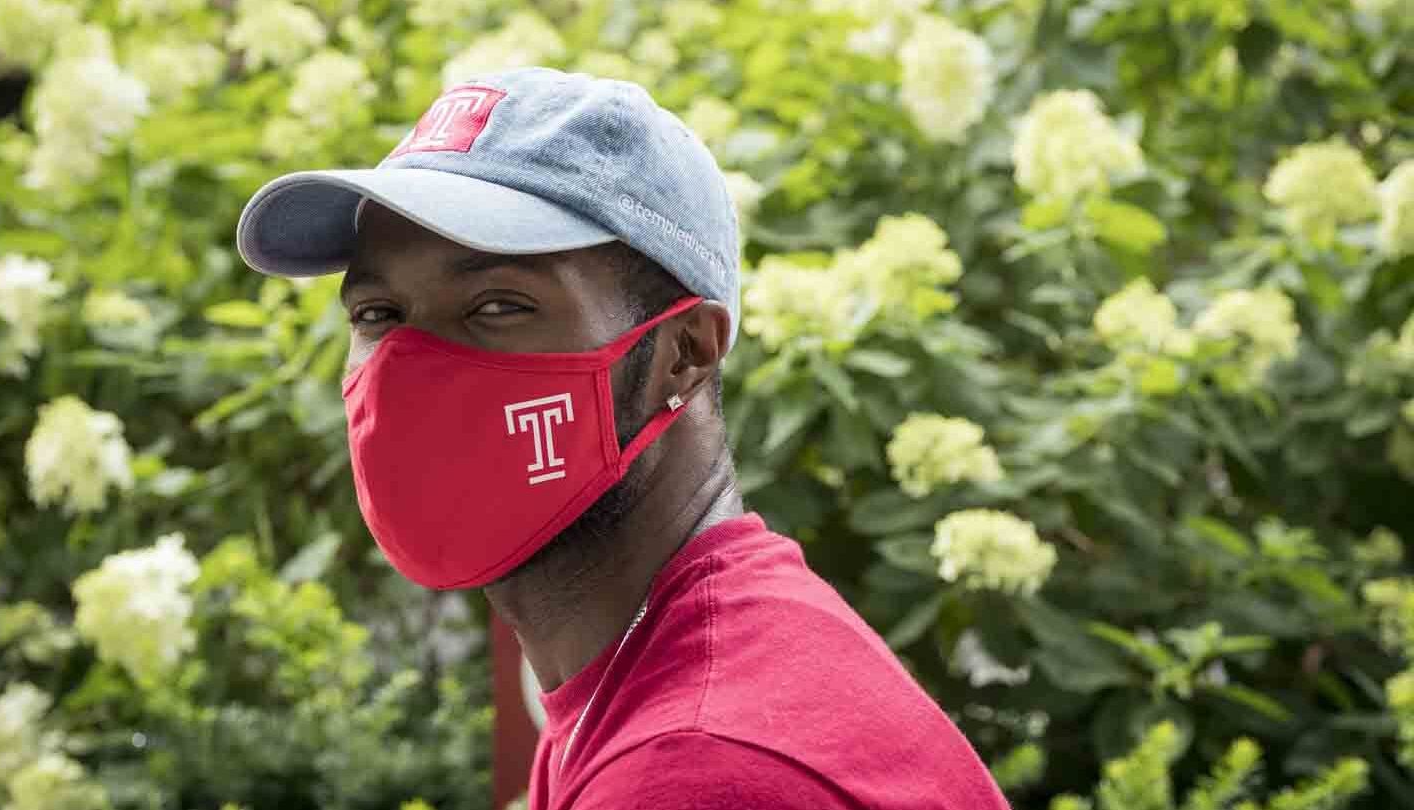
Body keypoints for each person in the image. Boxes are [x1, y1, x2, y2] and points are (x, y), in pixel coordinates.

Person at [236, 66, 1010, 810]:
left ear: (686, 353)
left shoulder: (704, 766)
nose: (412, 366)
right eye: (377, 315)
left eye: (498, 306)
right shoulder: (660, 670)